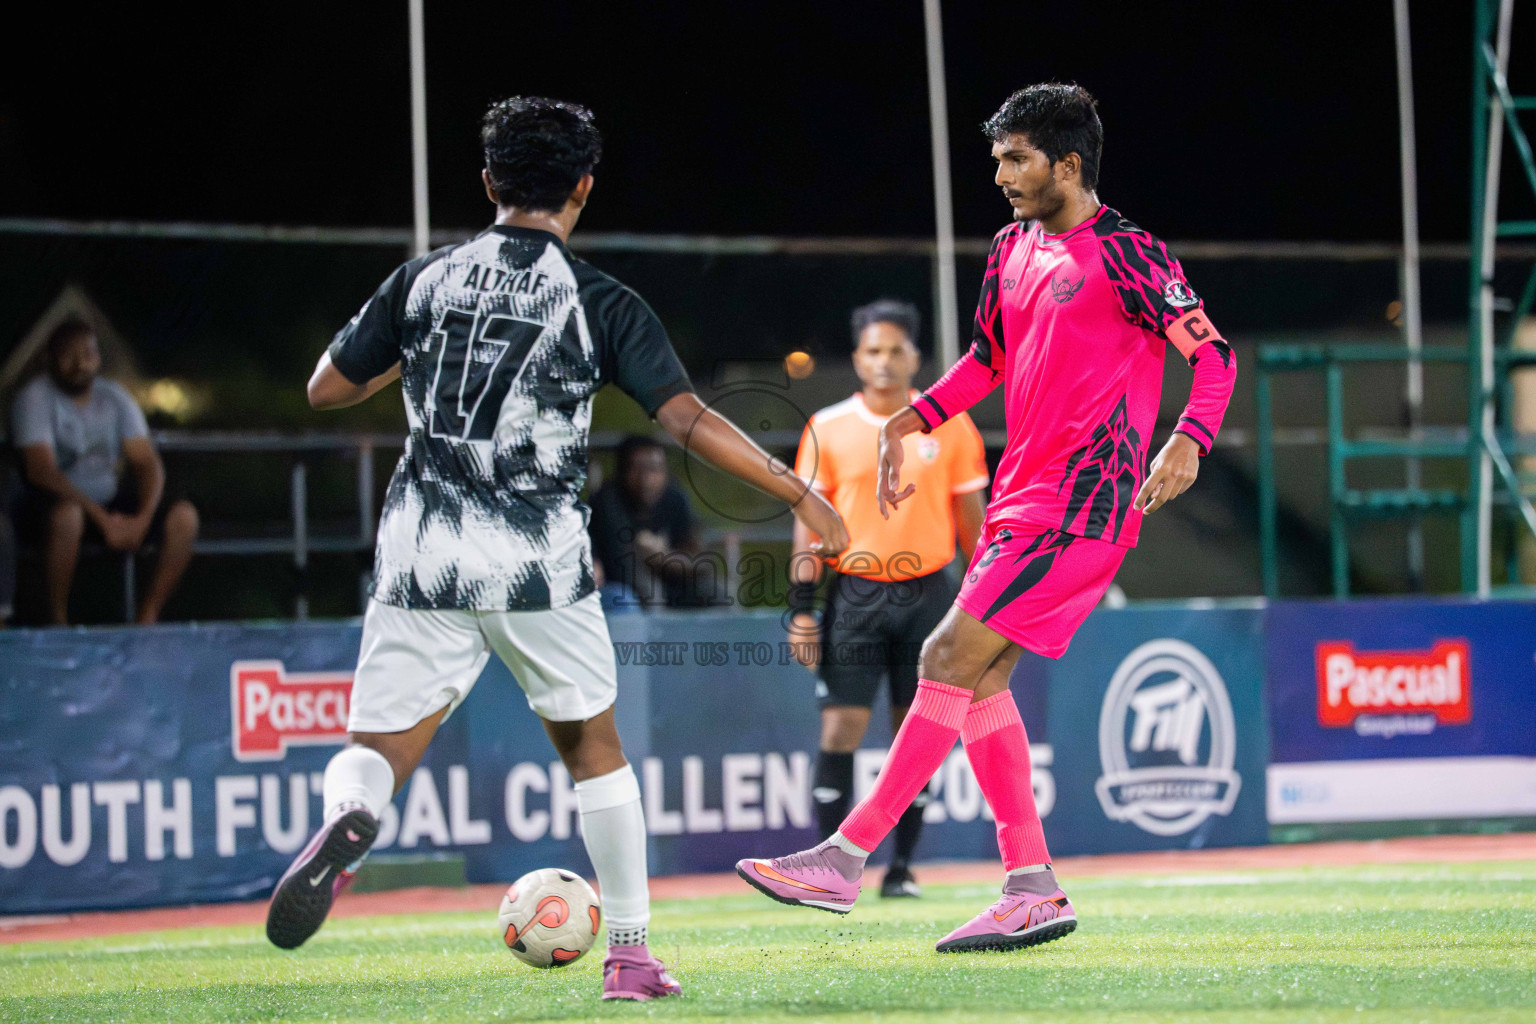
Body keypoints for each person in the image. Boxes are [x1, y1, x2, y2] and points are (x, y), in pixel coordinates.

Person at [269, 96, 848, 1001]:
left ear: (489, 181)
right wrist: (800, 489)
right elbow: (687, 419)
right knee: (593, 752)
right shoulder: (599, 299)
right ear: (583, 187)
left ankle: (351, 816)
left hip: (421, 548)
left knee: (376, 746)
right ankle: (628, 953)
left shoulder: (422, 280)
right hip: (538, 558)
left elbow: (324, 389)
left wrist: (408, 358)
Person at [737, 83, 1236, 953]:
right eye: (997, 157)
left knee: (944, 656)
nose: (1000, 174)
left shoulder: (1129, 253)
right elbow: (985, 361)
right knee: (982, 683)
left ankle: (845, 857)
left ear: (1067, 163)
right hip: (1022, 495)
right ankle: (1031, 886)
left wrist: (1188, 441)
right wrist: (911, 419)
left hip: (1081, 503)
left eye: (1017, 158)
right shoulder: (1010, 248)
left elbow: (1215, 356)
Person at [787, 298, 987, 898]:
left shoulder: (949, 424)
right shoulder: (827, 427)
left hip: (930, 596)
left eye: (895, 350)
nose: (884, 361)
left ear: (915, 357)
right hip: (854, 595)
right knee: (840, 729)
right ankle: (825, 869)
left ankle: (901, 868)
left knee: (914, 732)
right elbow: (807, 523)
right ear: (856, 358)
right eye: (873, 350)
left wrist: (982, 600)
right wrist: (800, 606)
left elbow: (974, 523)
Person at [11, 321, 200, 625]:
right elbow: (41, 471)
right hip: (50, 506)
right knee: (68, 516)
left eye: (88, 353)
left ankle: (147, 616)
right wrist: (101, 519)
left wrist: (143, 518)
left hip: (108, 502)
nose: (80, 363)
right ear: (51, 358)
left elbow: (147, 462)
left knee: (185, 517)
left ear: (99, 357)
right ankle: (57, 622)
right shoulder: (34, 397)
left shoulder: (114, 396)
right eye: (69, 355)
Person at [588, 434, 704, 609]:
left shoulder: (675, 497)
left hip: (674, 581)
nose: (646, 478)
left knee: (715, 591)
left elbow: (698, 558)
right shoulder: (608, 501)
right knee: (648, 592)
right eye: (638, 469)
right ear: (622, 472)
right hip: (623, 589)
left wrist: (664, 557)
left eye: (654, 469)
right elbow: (622, 566)